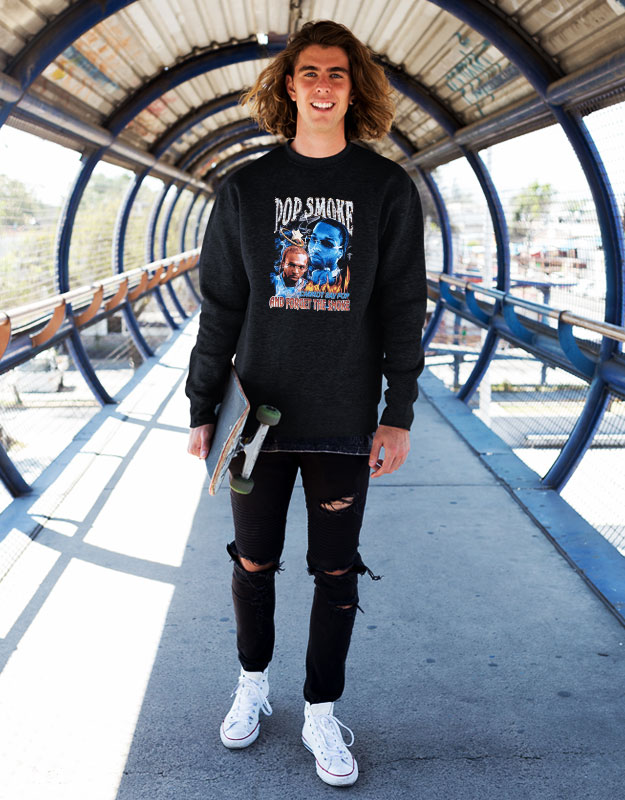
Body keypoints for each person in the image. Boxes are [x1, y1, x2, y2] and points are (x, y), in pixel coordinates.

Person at [186, 19, 426, 787]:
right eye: (310, 73)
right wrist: (201, 406)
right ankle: (252, 684)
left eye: (337, 74)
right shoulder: (244, 189)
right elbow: (220, 307)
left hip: (343, 419)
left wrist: (398, 412)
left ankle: (321, 710)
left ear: (353, 89)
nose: (323, 86)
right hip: (255, 421)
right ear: (288, 86)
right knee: (253, 561)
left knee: (335, 571)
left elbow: (402, 307)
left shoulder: (386, 189)